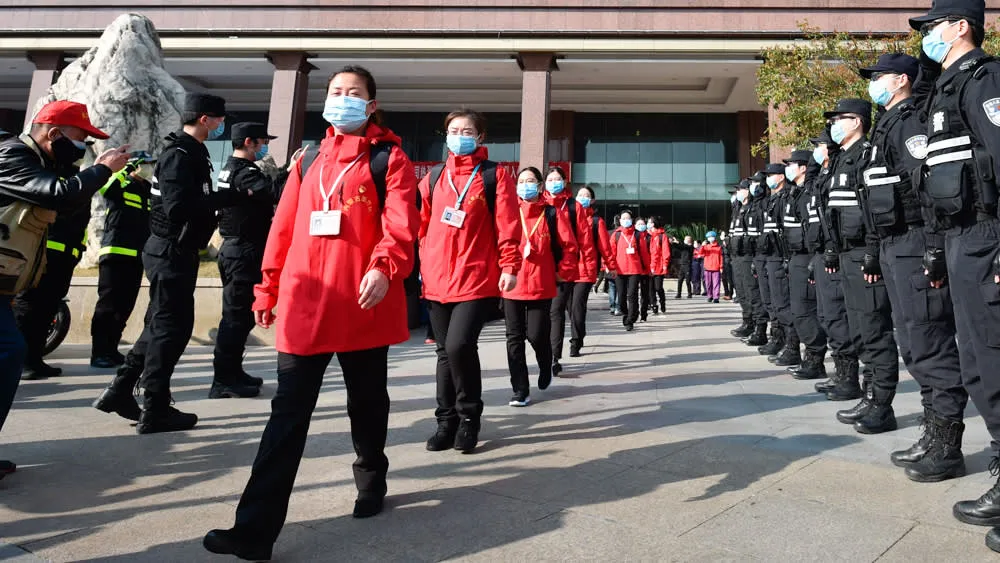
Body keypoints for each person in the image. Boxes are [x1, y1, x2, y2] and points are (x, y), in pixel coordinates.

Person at [203, 66, 420, 561]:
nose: (343, 99)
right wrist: (267, 289)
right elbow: (282, 230)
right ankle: (254, 531)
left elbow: (401, 226)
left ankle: (371, 478)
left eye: (354, 94)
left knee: (367, 405)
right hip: (305, 304)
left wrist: (384, 267)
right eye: (336, 92)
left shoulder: (391, 160)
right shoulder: (308, 158)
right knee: (287, 416)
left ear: (370, 106)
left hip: (361, 303)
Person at [907, 1, 1000, 547]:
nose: (928, 36)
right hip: (963, 238)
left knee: (994, 357)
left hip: (988, 234)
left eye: (933, 26)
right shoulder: (946, 90)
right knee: (979, 362)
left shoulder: (984, 79)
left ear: (961, 25)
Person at [0, 101, 131, 479]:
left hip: (7, 281)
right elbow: (56, 194)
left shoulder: (42, 162)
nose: (84, 146)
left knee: (10, 351)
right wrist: (101, 169)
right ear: (53, 133)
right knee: (9, 350)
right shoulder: (11, 155)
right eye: (80, 138)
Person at [93, 92, 237, 434]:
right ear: (205, 119)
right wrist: (224, 198)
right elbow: (177, 207)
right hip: (169, 250)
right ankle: (155, 407)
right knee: (170, 328)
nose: (221, 126)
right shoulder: (179, 154)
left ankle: (121, 389)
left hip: (177, 251)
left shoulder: (192, 152)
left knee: (161, 325)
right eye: (218, 120)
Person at [858, 52, 967, 478]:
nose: (875, 83)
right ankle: (931, 432)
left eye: (880, 76)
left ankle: (947, 445)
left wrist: (934, 246)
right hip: (893, 246)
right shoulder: (888, 124)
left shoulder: (908, 124)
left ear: (901, 81)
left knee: (930, 342)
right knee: (914, 344)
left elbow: (927, 189)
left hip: (913, 243)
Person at [418, 109, 520, 455]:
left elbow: (508, 225)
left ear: (480, 138)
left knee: (460, 345)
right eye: (453, 129)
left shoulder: (494, 176)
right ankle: (444, 421)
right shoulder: (433, 177)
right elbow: (420, 225)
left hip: (475, 277)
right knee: (444, 352)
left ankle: (468, 418)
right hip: (435, 277)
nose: (459, 135)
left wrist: (509, 265)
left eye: (467, 130)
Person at [822, 98, 901, 430]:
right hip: (846, 256)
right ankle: (869, 396)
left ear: (857, 122)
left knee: (874, 330)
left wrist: (872, 250)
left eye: (841, 118)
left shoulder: (867, 155)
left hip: (863, 256)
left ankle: (882, 406)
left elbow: (876, 208)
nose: (834, 124)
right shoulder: (842, 159)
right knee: (860, 330)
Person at [210, 122, 287, 399]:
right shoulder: (244, 172)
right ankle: (223, 380)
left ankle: (233, 371)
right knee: (235, 318)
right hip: (241, 251)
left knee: (241, 318)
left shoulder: (232, 168)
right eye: (262, 141)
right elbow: (274, 192)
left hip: (239, 249)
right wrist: (289, 172)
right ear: (249, 142)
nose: (265, 146)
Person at [503, 167, 577, 406]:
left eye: (531, 181)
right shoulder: (509, 212)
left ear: (540, 185)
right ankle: (520, 389)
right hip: (511, 283)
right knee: (514, 338)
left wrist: (562, 272)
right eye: (522, 181)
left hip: (541, 284)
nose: (526, 185)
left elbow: (569, 247)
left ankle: (546, 363)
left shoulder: (552, 214)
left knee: (536, 335)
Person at [90, 152, 154, 369]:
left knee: (124, 307)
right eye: (145, 164)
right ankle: (99, 352)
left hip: (137, 257)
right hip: (115, 253)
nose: (149, 168)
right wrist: (127, 168)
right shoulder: (121, 184)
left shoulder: (146, 191)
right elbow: (106, 189)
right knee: (108, 306)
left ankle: (112, 349)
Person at [782, 149, 829, 380]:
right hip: (795, 258)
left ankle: (815, 359)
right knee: (799, 311)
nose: (788, 168)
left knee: (806, 311)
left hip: (808, 256)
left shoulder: (809, 192)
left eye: (792, 164)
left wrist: (812, 260)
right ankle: (810, 357)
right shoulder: (795, 193)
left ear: (803, 167)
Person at [543, 166, 591, 374]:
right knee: (540, 315)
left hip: (565, 269)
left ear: (564, 181)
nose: (554, 182)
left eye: (557, 178)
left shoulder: (573, 207)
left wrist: (581, 267)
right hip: (539, 268)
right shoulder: (538, 204)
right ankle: (545, 352)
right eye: (550, 178)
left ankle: (554, 357)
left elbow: (585, 241)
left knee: (556, 310)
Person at [570, 186, 616, 357]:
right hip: (566, 269)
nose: (582, 197)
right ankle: (579, 333)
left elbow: (605, 246)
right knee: (569, 307)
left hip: (585, 270)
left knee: (577, 306)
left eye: (586, 195)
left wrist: (611, 266)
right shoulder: (566, 216)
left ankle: (575, 341)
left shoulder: (596, 221)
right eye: (580, 195)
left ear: (592, 200)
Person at [744, 171, 771, 347]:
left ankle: (765, 331)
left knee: (767, 298)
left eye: (756, 183)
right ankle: (756, 327)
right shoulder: (752, 206)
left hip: (766, 255)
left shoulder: (766, 204)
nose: (753, 186)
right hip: (753, 255)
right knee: (753, 294)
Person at [612, 209, 649, 331]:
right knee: (621, 297)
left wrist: (648, 268)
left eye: (628, 218)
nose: (626, 220)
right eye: (623, 219)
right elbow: (610, 253)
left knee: (632, 295)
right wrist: (608, 266)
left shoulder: (638, 235)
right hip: (619, 270)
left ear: (631, 220)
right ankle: (626, 313)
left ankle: (631, 318)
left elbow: (644, 253)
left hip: (634, 269)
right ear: (620, 220)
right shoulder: (616, 234)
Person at [648, 218, 670, 313]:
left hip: (659, 265)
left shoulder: (662, 236)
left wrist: (665, 264)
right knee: (650, 288)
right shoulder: (647, 235)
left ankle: (662, 302)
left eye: (649, 222)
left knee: (658, 287)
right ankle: (653, 304)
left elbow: (666, 251)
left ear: (653, 224)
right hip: (648, 265)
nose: (647, 224)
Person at [634, 217, 652, 321]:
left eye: (642, 224)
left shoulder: (650, 237)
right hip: (635, 269)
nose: (641, 226)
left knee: (645, 293)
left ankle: (644, 313)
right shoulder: (633, 236)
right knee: (634, 293)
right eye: (639, 224)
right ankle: (635, 312)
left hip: (646, 269)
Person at [701, 231, 723, 303]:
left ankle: (716, 297)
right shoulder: (706, 247)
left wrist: (721, 267)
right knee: (708, 283)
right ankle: (709, 296)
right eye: (709, 237)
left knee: (716, 283)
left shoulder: (719, 247)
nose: (710, 238)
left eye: (712, 236)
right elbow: (701, 253)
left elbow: (721, 258)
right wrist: (702, 246)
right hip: (707, 268)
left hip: (716, 268)